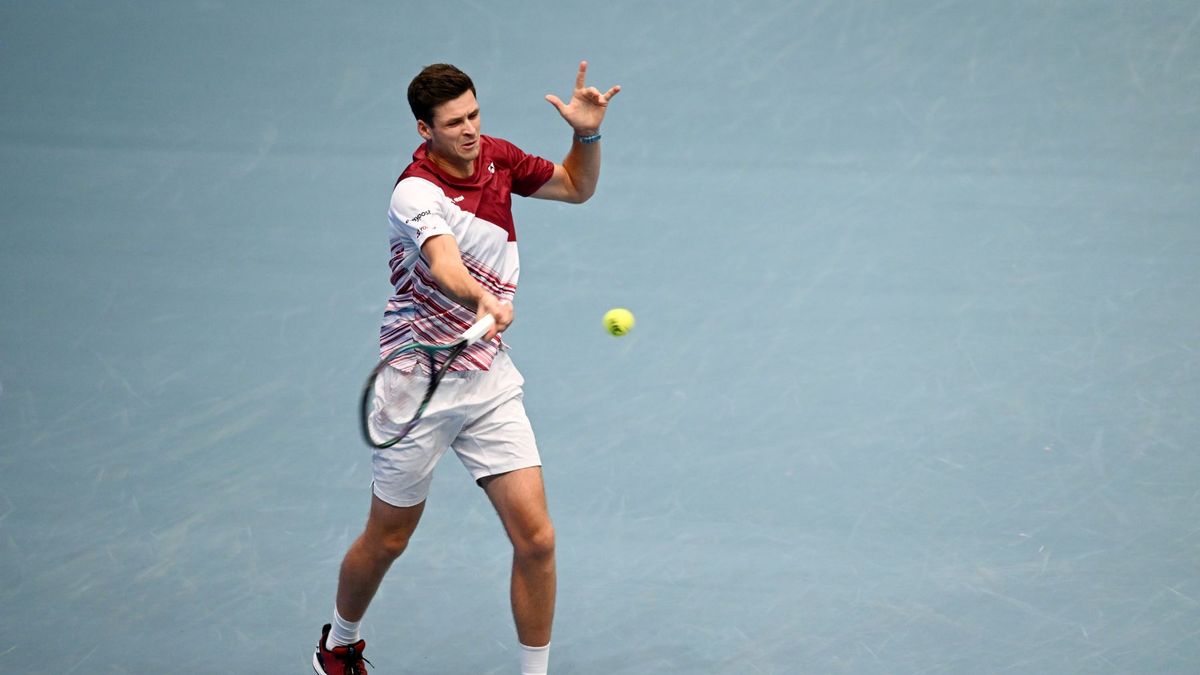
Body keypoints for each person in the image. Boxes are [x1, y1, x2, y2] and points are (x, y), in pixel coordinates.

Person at [313, 61, 620, 675]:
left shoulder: (498, 159)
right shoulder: (414, 192)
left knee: (537, 539)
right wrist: (479, 297)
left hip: (487, 380)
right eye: (454, 123)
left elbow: (575, 187)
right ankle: (339, 644)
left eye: (475, 115)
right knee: (387, 541)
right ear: (424, 129)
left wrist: (586, 136)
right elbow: (445, 263)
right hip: (415, 389)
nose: (470, 131)